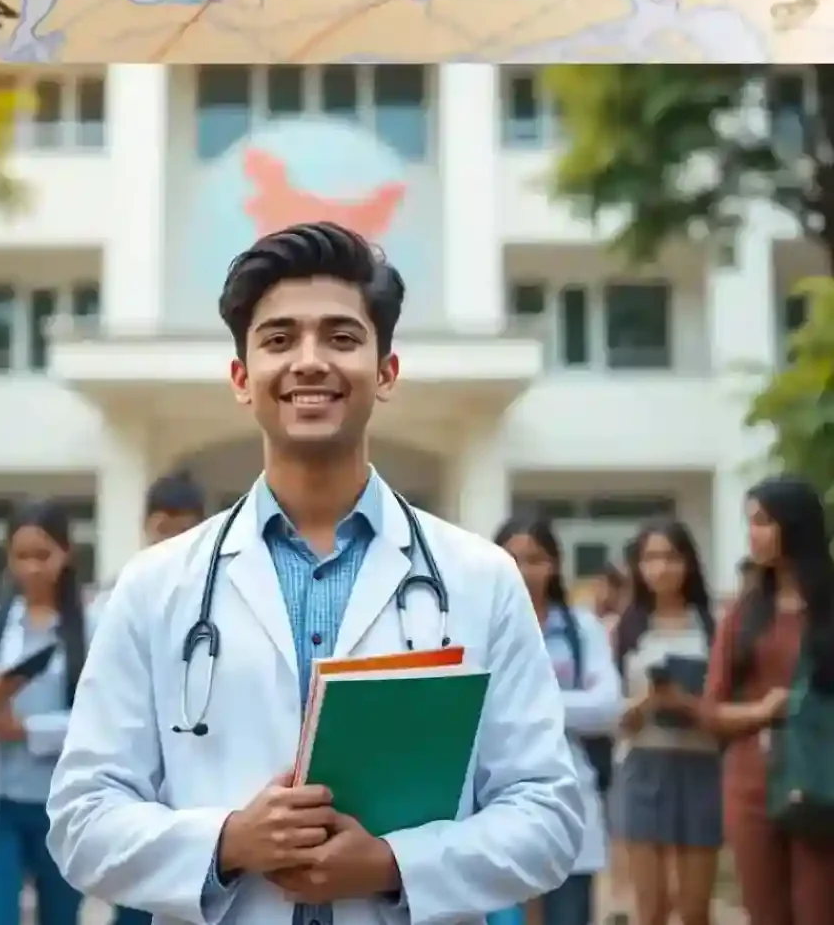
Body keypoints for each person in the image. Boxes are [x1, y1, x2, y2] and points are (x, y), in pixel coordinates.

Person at [48, 221, 584, 924]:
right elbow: (82, 819)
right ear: (242, 379)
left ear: (385, 372)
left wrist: (393, 864)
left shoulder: (479, 578)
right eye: (278, 340)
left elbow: (547, 816)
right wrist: (229, 841)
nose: (309, 362)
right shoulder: (155, 586)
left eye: (341, 337)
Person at [0, 499, 96, 925]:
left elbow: (101, 719)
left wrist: (27, 729)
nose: (32, 568)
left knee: (61, 916)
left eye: (43, 555)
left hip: (61, 803)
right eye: (21, 556)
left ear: (66, 554)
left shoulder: (92, 625)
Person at [703, 474, 834, 925]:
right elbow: (711, 710)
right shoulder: (743, 612)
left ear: (794, 525)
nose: (752, 534)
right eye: (750, 522)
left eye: (763, 521)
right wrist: (763, 711)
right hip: (751, 784)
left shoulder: (827, 610)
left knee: (819, 909)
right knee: (766, 913)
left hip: (821, 780)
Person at [495, 518, 623, 925]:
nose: (524, 568)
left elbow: (607, 707)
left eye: (536, 559)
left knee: (569, 911)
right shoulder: (480, 625)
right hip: (496, 791)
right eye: (513, 557)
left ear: (554, 565)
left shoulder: (581, 628)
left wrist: (525, 705)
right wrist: (565, 707)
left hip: (570, 784)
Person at [611, 519, 720, 925]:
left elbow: (726, 703)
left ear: (689, 562)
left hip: (701, 764)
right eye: (650, 558)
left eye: (671, 557)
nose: (660, 568)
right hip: (643, 763)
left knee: (694, 909)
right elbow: (613, 711)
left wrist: (687, 702)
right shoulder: (629, 626)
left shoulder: (711, 625)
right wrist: (644, 702)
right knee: (651, 908)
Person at [112, 472, 208, 925]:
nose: (172, 541)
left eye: (184, 528)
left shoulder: (214, 596)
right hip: (132, 794)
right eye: (162, 528)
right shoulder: (123, 596)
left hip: (192, 792)